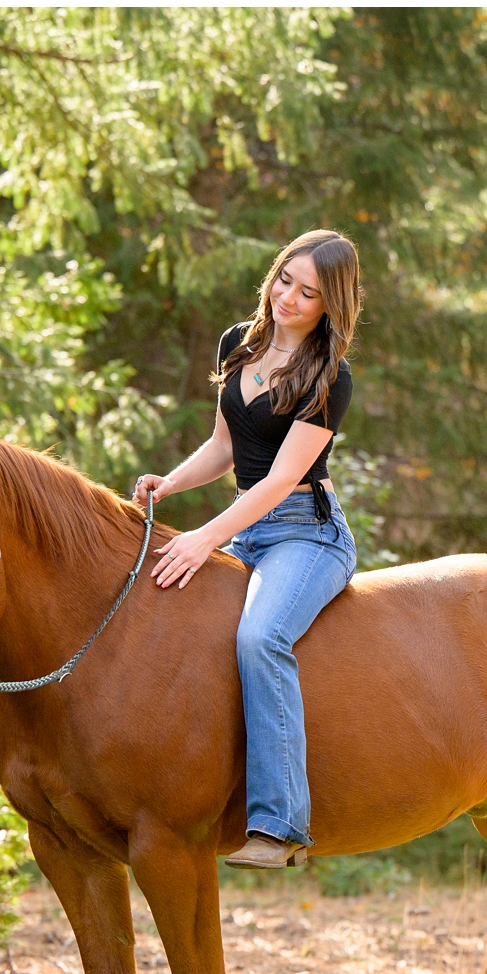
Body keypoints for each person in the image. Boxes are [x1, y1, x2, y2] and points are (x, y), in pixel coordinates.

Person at [132, 229, 361, 870]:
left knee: (261, 638)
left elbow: (283, 479)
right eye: (285, 279)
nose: (288, 297)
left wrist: (207, 537)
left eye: (308, 292)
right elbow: (227, 447)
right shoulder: (241, 343)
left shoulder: (328, 377)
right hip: (246, 527)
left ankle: (280, 825)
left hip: (306, 534)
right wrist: (171, 483)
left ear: (329, 305)